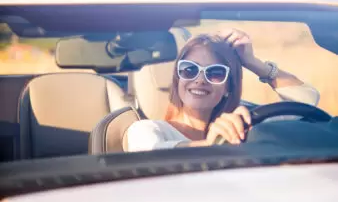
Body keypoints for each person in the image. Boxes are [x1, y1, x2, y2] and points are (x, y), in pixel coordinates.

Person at [126, 29, 320, 152]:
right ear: (178, 79)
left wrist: (254, 63)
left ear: (228, 87)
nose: (200, 80)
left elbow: (306, 99)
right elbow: (150, 151)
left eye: (216, 73)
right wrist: (214, 144)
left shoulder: (243, 123)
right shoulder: (148, 130)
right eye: (189, 69)